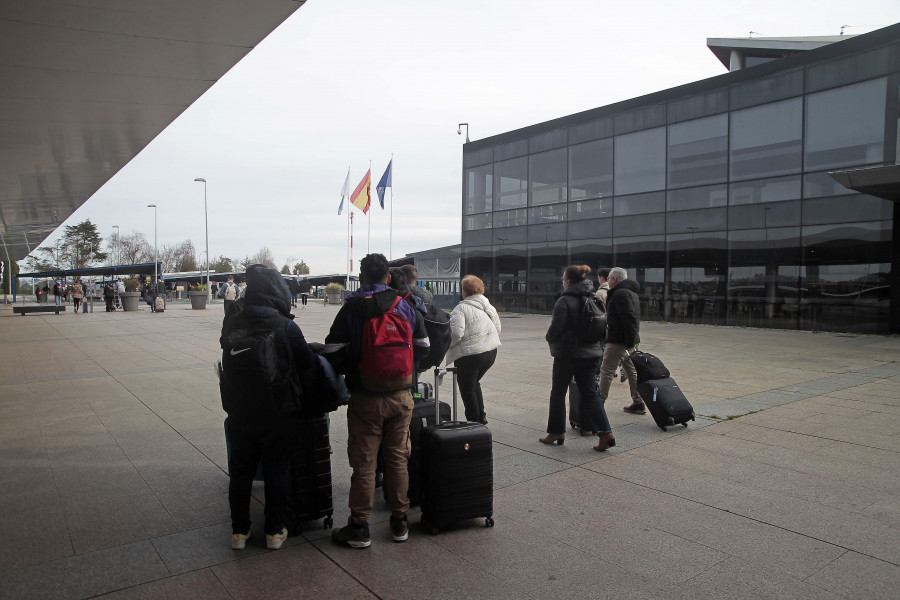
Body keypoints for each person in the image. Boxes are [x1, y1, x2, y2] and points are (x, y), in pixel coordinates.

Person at [325, 253, 429, 548]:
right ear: (387, 278)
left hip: (365, 397)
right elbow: (424, 346)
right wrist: (407, 370)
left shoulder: (352, 309)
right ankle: (399, 522)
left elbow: (333, 351)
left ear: (361, 278)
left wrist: (355, 367)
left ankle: (359, 527)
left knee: (365, 463)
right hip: (401, 395)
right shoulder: (405, 306)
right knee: (398, 459)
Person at [222, 264, 319, 551]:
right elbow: (308, 363)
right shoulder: (286, 326)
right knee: (277, 470)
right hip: (278, 410)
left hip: (240, 410)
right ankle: (275, 531)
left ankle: (239, 532)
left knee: (241, 472)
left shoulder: (233, 323)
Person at [540, 265, 615, 452]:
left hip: (567, 355)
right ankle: (605, 433)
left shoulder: (564, 300)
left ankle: (556, 432)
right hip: (592, 354)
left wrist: (549, 338)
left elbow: (556, 329)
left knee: (558, 393)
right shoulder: (594, 297)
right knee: (590, 394)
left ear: (568, 280)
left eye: (563, 278)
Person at [445, 275, 501, 424]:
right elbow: (498, 328)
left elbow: (456, 333)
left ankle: (474, 422)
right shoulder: (489, 307)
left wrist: (448, 345)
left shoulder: (460, 308)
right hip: (490, 352)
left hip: (470, 356)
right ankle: (481, 416)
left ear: (465, 291)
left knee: (467, 389)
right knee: (474, 383)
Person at [597, 267, 645, 415]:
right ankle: (638, 402)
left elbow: (629, 319)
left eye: (610, 279)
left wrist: (628, 343)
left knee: (606, 371)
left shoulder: (620, 294)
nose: (608, 281)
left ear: (614, 279)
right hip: (629, 339)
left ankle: (597, 406)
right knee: (631, 371)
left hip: (619, 340)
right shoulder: (631, 292)